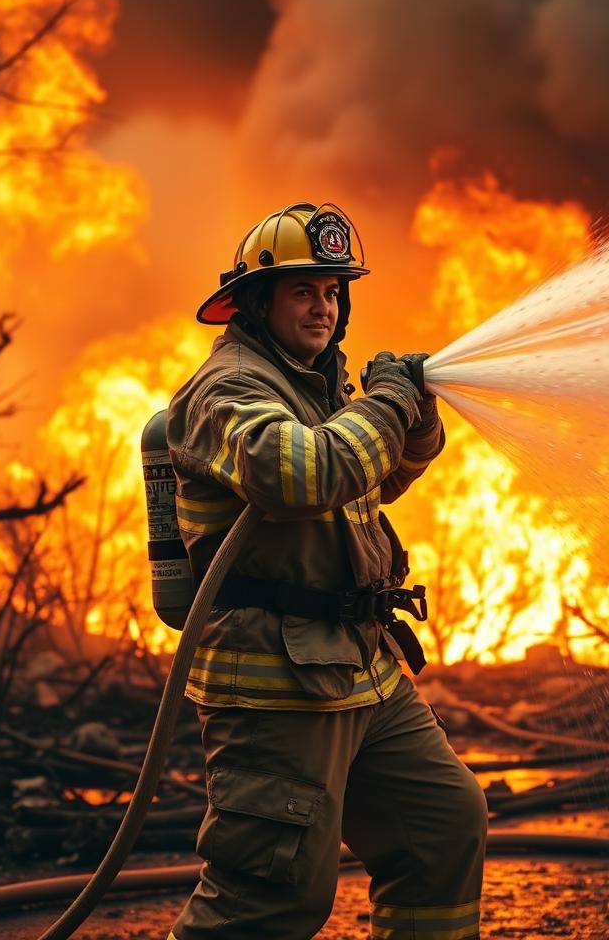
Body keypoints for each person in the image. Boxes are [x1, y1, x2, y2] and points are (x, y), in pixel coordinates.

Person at [165, 202, 487, 940]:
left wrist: (416, 414)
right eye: (304, 290)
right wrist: (388, 401)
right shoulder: (226, 390)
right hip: (276, 686)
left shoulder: (315, 384)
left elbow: (371, 483)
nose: (323, 306)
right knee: (273, 897)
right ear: (256, 302)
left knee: (442, 826)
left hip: (360, 671)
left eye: (334, 292)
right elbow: (301, 477)